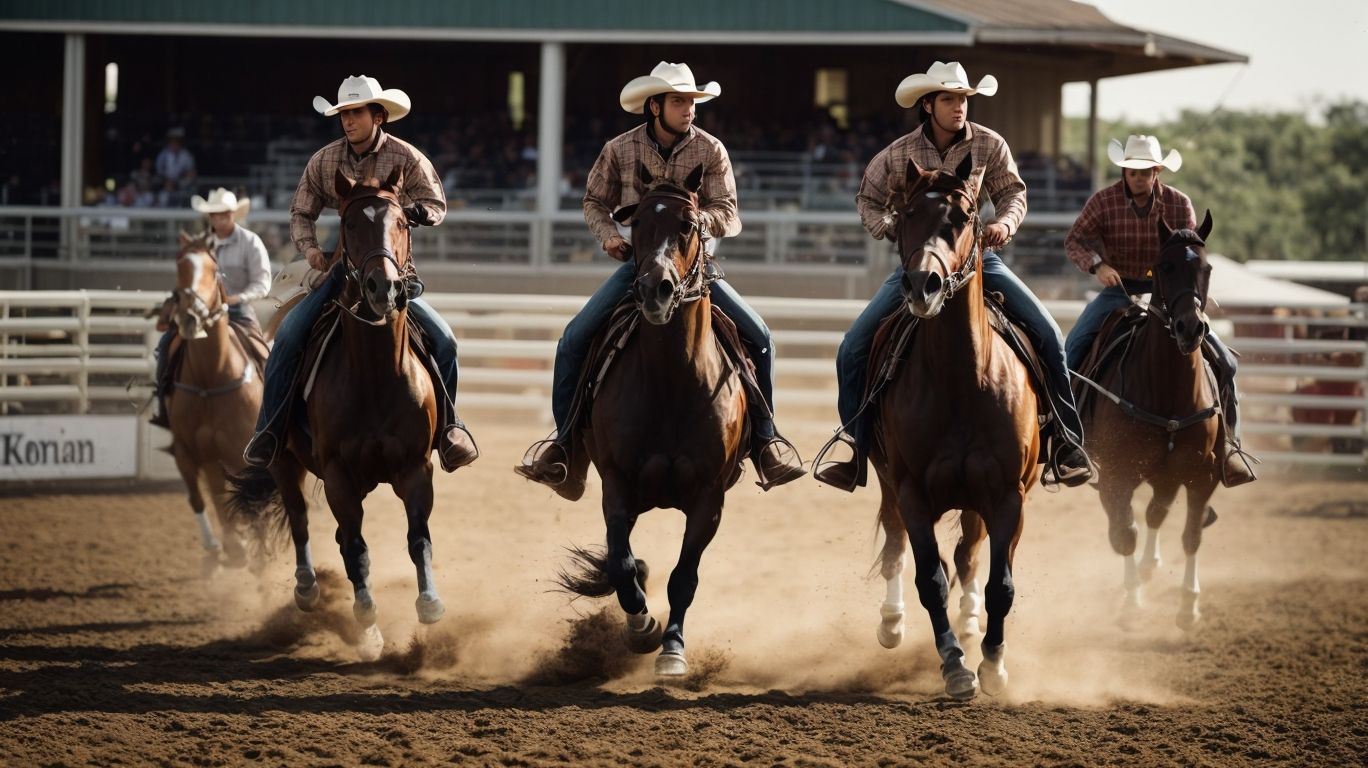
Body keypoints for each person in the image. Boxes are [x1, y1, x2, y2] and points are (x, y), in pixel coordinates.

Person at [515, 61, 806, 499]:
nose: (688, 108)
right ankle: (565, 445)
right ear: (655, 106)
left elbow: (729, 212)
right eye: (678, 101)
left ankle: (766, 440)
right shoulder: (619, 149)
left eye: (691, 101)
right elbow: (594, 200)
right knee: (573, 340)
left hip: (696, 271)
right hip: (638, 267)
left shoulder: (711, 150)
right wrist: (610, 235)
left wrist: (692, 220)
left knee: (761, 337)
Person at [815, 61, 1091, 491]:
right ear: (928, 105)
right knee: (852, 348)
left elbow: (1013, 193)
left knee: (1050, 334)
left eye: (963, 98)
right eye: (949, 98)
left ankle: (1067, 444)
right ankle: (855, 445)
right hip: (919, 267)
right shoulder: (897, 153)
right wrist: (890, 228)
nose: (959, 106)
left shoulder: (989, 145)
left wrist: (1005, 223)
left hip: (979, 263)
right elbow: (868, 199)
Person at [241, 75, 478, 472]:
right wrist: (311, 249)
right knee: (286, 338)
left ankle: (449, 429)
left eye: (355, 113)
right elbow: (302, 210)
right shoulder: (324, 160)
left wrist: (412, 213)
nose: (347, 121)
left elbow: (436, 203)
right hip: (342, 273)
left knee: (446, 342)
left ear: (378, 116)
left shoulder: (406, 157)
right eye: (343, 114)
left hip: (394, 276)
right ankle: (270, 431)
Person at [1064, 134, 1255, 486]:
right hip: (1117, 289)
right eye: (1133, 171)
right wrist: (1098, 266)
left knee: (1226, 362)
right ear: (1124, 171)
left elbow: (1189, 252)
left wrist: (1192, 294)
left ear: (1157, 171)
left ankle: (1230, 448)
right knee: (1071, 351)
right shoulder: (1103, 202)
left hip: (1169, 295)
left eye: (1145, 171)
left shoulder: (1179, 204)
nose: (1138, 177)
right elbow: (1074, 239)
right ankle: (1070, 443)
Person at [150, 188, 270, 428]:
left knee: (264, 354)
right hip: (203, 314)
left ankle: (269, 410)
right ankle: (164, 401)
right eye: (214, 215)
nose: (218, 219)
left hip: (238, 312)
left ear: (233, 214)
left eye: (223, 214)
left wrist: (235, 299)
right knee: (166, 344)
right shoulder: (200, 246)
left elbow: (263, 283)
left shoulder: (250, 242)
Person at [154, 127, 196, 192]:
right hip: (167, 180)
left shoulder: (186, 154)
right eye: (172, 142)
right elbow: (159, 168)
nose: (174, 144)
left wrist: (183, 174)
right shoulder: (164, 154)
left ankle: (183, 194)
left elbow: (190, 169)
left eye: (176, 142)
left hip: (181, 179)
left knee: (188, 180)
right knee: (167, 185)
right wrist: (166, 178)